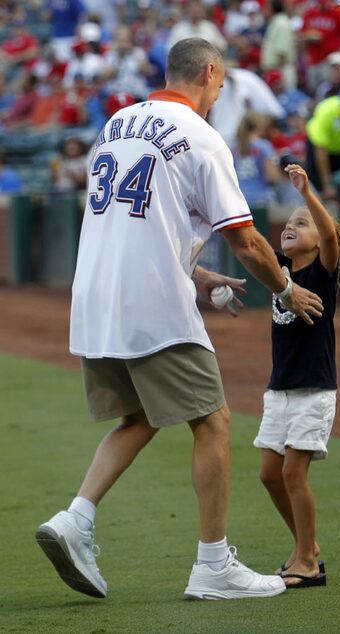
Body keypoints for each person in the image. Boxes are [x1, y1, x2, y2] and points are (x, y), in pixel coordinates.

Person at [35, 37, 323, 601]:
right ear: (210, 71)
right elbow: (244, 241)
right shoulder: (200, 135)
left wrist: (196, 274)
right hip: (151, 303)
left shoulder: (114, 126)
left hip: (95, 299)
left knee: (140, 415)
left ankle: (77, 519)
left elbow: (138, 227)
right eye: (221, 82)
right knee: (212, 421)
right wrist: (287, 287)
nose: (219, 92)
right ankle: (213, 564)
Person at [254, 163, 340, 588]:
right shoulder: (281, 276)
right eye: (288, 223)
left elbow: (328, 236)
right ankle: (305, 545)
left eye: (300, 223)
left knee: (293, 473)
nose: (291, 226)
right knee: (270, 475)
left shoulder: (322, 274)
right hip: (280, 390)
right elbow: (251, 251)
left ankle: (306, 561)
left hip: (314, 390)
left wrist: (308, 195)